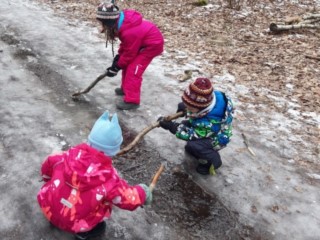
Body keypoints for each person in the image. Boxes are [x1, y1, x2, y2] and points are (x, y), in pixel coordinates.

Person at [37, 111, 152, 240]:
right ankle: (84, 234)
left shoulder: (63, 156)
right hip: (75, 222)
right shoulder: (110, 179)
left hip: (49, 209)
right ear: (114, 151)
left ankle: (55, 219)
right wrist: (142, 193)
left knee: (58, 200)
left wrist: (47, 178)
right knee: (99, 226)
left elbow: (47, 165)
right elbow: (127, 198)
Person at [158, 78, 234, 175]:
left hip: (217, 137)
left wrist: (171, 126)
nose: (187, 108)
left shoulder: (208, 123)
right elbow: (195, 103)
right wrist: (186, 107)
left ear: (201, 107)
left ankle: (212, 161)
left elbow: (191, 134)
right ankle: (198, 151)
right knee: (186, 126)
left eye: (190, 107)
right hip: (204, 127)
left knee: (194, 144)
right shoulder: (208, 99)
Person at [96, 2, 164, 110]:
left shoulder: (129, 31)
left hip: (151, 47)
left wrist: (117, 66)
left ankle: (132, 101)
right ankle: (125, 89)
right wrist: (118, 57)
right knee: (127, 66)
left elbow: (129, 53)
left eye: (103, 23)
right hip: (140, 44)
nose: (102, 26)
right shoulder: (123, 23)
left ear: (109, 22)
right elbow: (127, 45)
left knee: (134, 70)